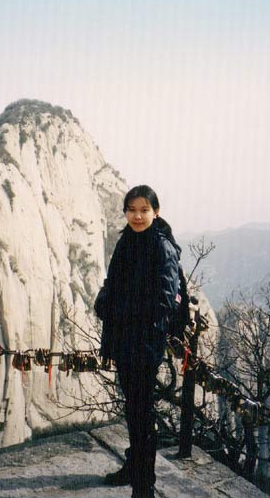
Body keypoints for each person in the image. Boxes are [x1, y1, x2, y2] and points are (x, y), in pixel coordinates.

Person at [95, 185, 181, 498]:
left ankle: (144, 486)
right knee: (133, 409)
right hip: (126, 340)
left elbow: (163, 301)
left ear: (155, 212)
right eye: (132, 209)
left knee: (142, 414)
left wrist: (119, 309)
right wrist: (102, 300)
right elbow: (111, 281)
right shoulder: (128, 240)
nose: (138, 215)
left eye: (144, 210)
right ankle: (134, 468)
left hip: (144, 344)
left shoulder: (161, 246)